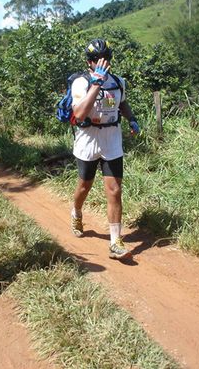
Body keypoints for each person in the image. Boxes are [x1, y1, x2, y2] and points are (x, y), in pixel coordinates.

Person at [70, 38, 140, 261]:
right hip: (88, 140)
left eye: (105, 58)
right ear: (88, 61)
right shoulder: (81, 83)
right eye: (96, 59)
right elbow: (80, 114)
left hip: (112, 138)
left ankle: (115, 242)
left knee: (114, 190)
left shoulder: (118, 82)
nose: (101, 62)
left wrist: (132, 119)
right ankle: (77, 212)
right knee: (84, 186)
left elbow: (122, 103)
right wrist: (96, 83)